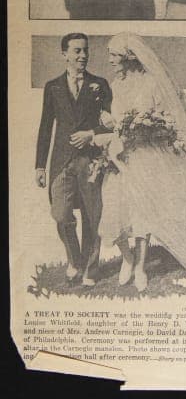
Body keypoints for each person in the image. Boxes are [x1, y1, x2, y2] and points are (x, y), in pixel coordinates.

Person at [96, 33, 186, 292]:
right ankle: (127, 260)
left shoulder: (152, 84)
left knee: (143, 211)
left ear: (129, 57)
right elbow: (113, 120)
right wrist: (108, 124)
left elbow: (165, 118)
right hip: (119, 155)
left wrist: (138, 127)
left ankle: (140, 266)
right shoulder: (114, 86)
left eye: (114, 55)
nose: (110, 61)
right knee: (114, 208)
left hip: (145, 157)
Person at [35, 33, 112, 286]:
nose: (83, 56)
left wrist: (91, 135)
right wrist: (39, 165)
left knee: (92, 215)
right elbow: (46, 126)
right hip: (60, 161)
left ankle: (90, 268)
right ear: (64, 54)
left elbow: (112, 126)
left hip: (91, 161)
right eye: (77, 51)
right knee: (60, 214)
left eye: (85, 50)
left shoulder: (100, 84)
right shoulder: (53, 86)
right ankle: (74, 260)